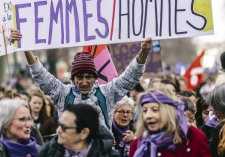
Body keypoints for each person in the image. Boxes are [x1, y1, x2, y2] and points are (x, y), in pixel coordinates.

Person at [9, 29, 151, 128]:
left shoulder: (106, 93)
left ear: (95, 78)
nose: (84, 82)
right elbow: (40, 74)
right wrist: (24, 47)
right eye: (79, 77)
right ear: (72, 78)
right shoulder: (62, 93)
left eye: (89, 77)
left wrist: (144, 52)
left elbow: (130, 77)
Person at [127, 89, 218, 157]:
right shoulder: (138, 144)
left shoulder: (194, 136)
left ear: (169, 112)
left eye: (154, 110)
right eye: (145, 110)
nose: (148, 116)